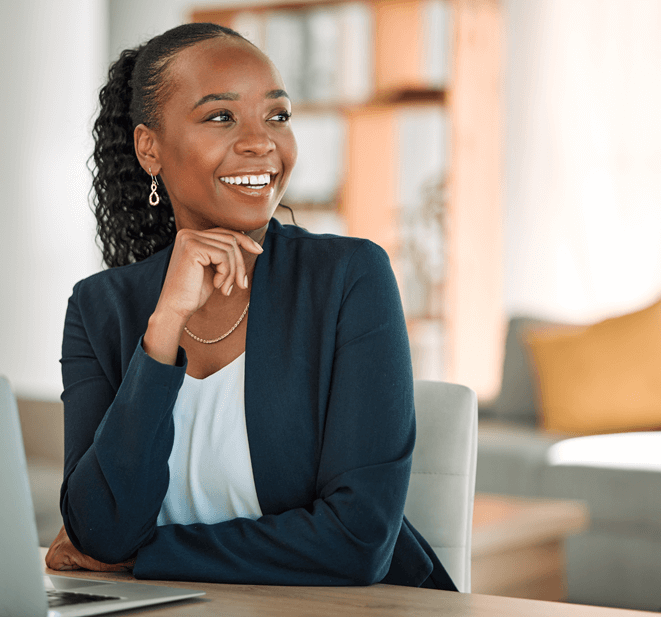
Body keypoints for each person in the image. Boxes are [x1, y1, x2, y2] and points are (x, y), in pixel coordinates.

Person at [44, 22, 457, 590]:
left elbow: (357, 544)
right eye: (221, 117)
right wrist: (164, 327)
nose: (261, 142)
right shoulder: (100, 308)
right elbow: (101, 530)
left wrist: (147, 557)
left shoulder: (349, 278)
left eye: (277, 116)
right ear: (149, 148)